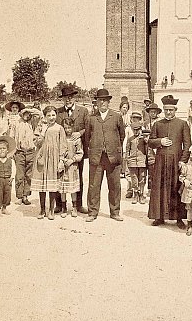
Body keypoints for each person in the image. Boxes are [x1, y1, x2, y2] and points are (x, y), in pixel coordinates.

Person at [147, 95, 191, 227]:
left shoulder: (183, 124)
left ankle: (179, 218)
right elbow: (150, 141)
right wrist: (160, 141)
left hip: (176, 161)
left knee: (176, 188)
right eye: (166, 110)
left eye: (171, 110)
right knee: (160, 188)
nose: (168, 112)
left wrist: (183, 161)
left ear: (175, 110)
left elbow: (188, 144)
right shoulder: (157, 124)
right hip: (161, 161)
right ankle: (159, 217)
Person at [84, 89, 125, 222]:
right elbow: (87, 137)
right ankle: (92, 212)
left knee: (114, 185)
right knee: (94, 186)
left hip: (113, 157)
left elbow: (122, 135)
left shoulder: (116, 116)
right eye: (100, 100)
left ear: (108, 102)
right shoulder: (91, 118)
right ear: (96, 102)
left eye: (105, 100)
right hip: (96, 157)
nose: (102, 103)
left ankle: (115, 212)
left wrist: (114, 148)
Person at [56, 84, 89, 213]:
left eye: (70, 97)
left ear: (74, 98)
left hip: (76, 151)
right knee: (60, 176)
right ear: (62, 99)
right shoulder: (58, 112)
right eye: (65, 98)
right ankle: (60, 205)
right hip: (62, 152)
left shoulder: (83, 111)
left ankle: (79, 205)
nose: (68, 100)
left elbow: (88, 128)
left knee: (78, 176)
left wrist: (79, 133)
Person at [32, 105, 67, 220]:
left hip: (54, 158)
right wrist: (42, 133)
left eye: (53, 115)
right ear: (45, 116)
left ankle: (51, 210)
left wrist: (61, 160)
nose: (51, 117)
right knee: (42, 185)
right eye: (49, 115)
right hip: (42, 158)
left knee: (52, 185)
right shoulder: (40, 128)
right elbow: (36, 143)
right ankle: (42, 210)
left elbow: (63, 145)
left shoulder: (59, 128)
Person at [59, 117, 83, 217]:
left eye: (69, 127)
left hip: (73, 166)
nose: (67, 130)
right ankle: (64, 208)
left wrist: (72, 160)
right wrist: (63, 160)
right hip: (63, 166)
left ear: (72, 127)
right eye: (65, 128)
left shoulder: (76, 139)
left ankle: (74, 207)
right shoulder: (61, 138)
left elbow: (80, 153)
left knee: (73, 188)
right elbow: (58, 151)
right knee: (63, 188)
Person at [14, 106, 37, 205]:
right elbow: (11, 136)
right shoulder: (17, 123)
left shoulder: (33, 123)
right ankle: (19, 196)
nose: (27, 116)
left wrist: (30, 110)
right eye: (25, 114)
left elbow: (39, 114)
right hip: (19, 151)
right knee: (20, 175)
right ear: (22, 114)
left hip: (31, 151)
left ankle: (25, 195)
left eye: (29, 114)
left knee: (29, 175)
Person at [125, 111, 148, 204]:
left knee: (142, 178)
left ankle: (142, 194)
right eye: (134, 130)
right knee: (134, 178)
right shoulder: (130, 139)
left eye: (137, 130)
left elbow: (147, 149)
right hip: (132, 161)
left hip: (142, 160)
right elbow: (127, 149)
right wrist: (127, 158)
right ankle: (135, 194)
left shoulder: (143, 139)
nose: (136, 132)